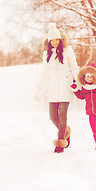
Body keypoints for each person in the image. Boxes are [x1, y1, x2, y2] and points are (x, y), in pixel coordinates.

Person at [35, 22, 80, 153]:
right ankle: (66, 131)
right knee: (53, 116)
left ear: (60, 40)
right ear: (49, 42)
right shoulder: (46, 54)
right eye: (52, 40)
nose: (54, 42)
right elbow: (43, 72)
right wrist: (38, 88)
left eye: (56, 40)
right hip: (53, 88)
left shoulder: (68, 50)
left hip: (65, 86)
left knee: (62, 115)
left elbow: (74, 67)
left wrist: (78, 82)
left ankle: (60, 144)